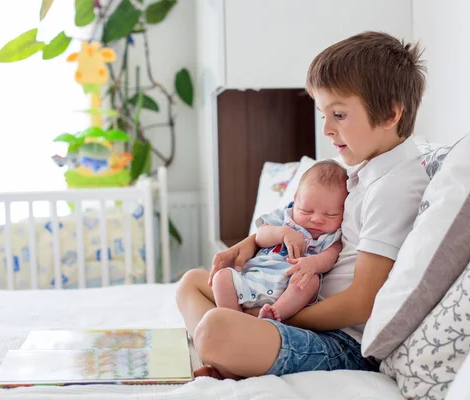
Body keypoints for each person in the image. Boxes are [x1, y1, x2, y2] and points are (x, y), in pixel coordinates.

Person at [176, 31, 430, 380]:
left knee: (216, 328)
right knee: (191, 282)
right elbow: (297, 221)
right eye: (323, 114)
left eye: (338, 114)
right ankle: (229, 357)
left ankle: (228, 351)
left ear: (389, 114)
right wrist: (250, 243)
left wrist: (278, 316)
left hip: (338, 339)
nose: (326, 129)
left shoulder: (395, 187)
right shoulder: (365, 171)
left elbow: (362, 302)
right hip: (294, 303)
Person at [211, 160, 347, 322]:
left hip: (289, 289)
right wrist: (282, 232)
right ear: (295, 199)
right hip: (251, 280)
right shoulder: (284, 217)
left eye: (331, 215)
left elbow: (332, 255)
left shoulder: (331, 236)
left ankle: (276, 313)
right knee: (221, 277)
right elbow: (260, 236)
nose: (316, 219)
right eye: (306, 210)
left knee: (311, 281)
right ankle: (233, 319)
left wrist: (313, 264)